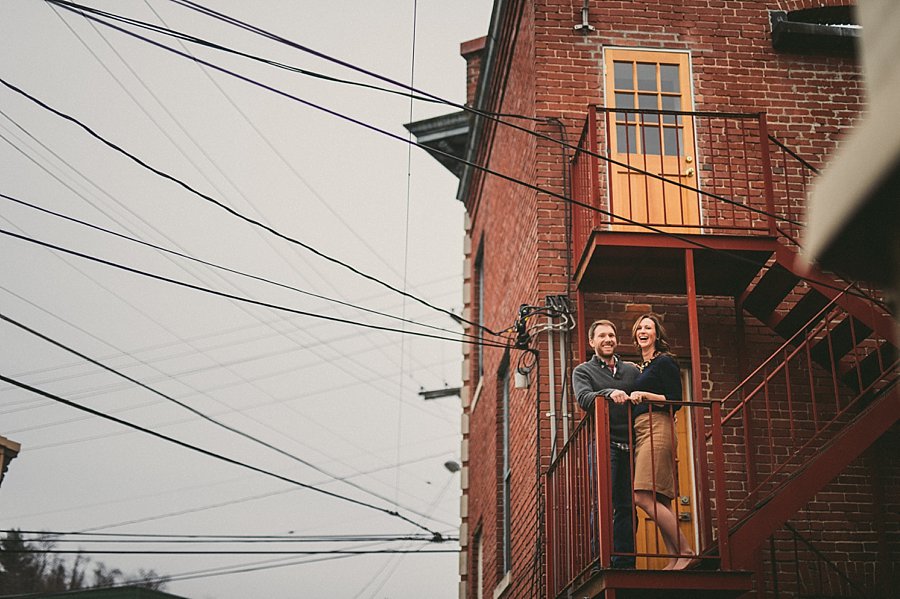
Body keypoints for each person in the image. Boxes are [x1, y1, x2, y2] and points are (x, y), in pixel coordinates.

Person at [627, 313, 697, 570]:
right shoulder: (642, 367)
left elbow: (676, 400)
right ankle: (675, 557)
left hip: (658, 426)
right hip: (642, 429)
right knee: (661, 499)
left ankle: (687, 551)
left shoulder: (665, 361)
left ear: (657, 335)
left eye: (648, 327)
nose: (643, 331)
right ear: (636, 336)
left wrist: (645, 394)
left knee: (641, 495)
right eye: (639, 328)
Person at [572, 319, 640, 569]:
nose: (608, 339)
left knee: (627, 505)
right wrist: (609, 393)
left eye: (611, 335)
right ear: (592, 342)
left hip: (632, 444)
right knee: (603, 502)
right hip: (603, 444)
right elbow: (583, 398)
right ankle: (601, 561)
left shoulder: (632, 371)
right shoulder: (583, 371)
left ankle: (625, 562)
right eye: (602, 336)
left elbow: (644, 397)